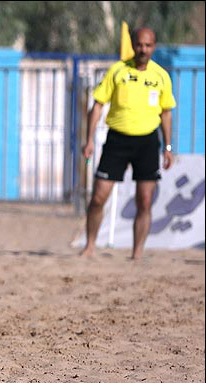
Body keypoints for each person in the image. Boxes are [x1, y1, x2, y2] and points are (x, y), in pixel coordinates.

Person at [80, 27, 176, 260]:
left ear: (154, 46)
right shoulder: (117, 71)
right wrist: (89, 139)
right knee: (98, 197)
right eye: (139, 45)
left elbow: (166, 113)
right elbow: (98, 105)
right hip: (117, 141)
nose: (143, 49)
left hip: (147, 142)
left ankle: (137, 253)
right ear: (133, 45)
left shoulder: (161, 76)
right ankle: (90, 246)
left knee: (144, 200)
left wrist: (168, 147)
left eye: (148, 45)